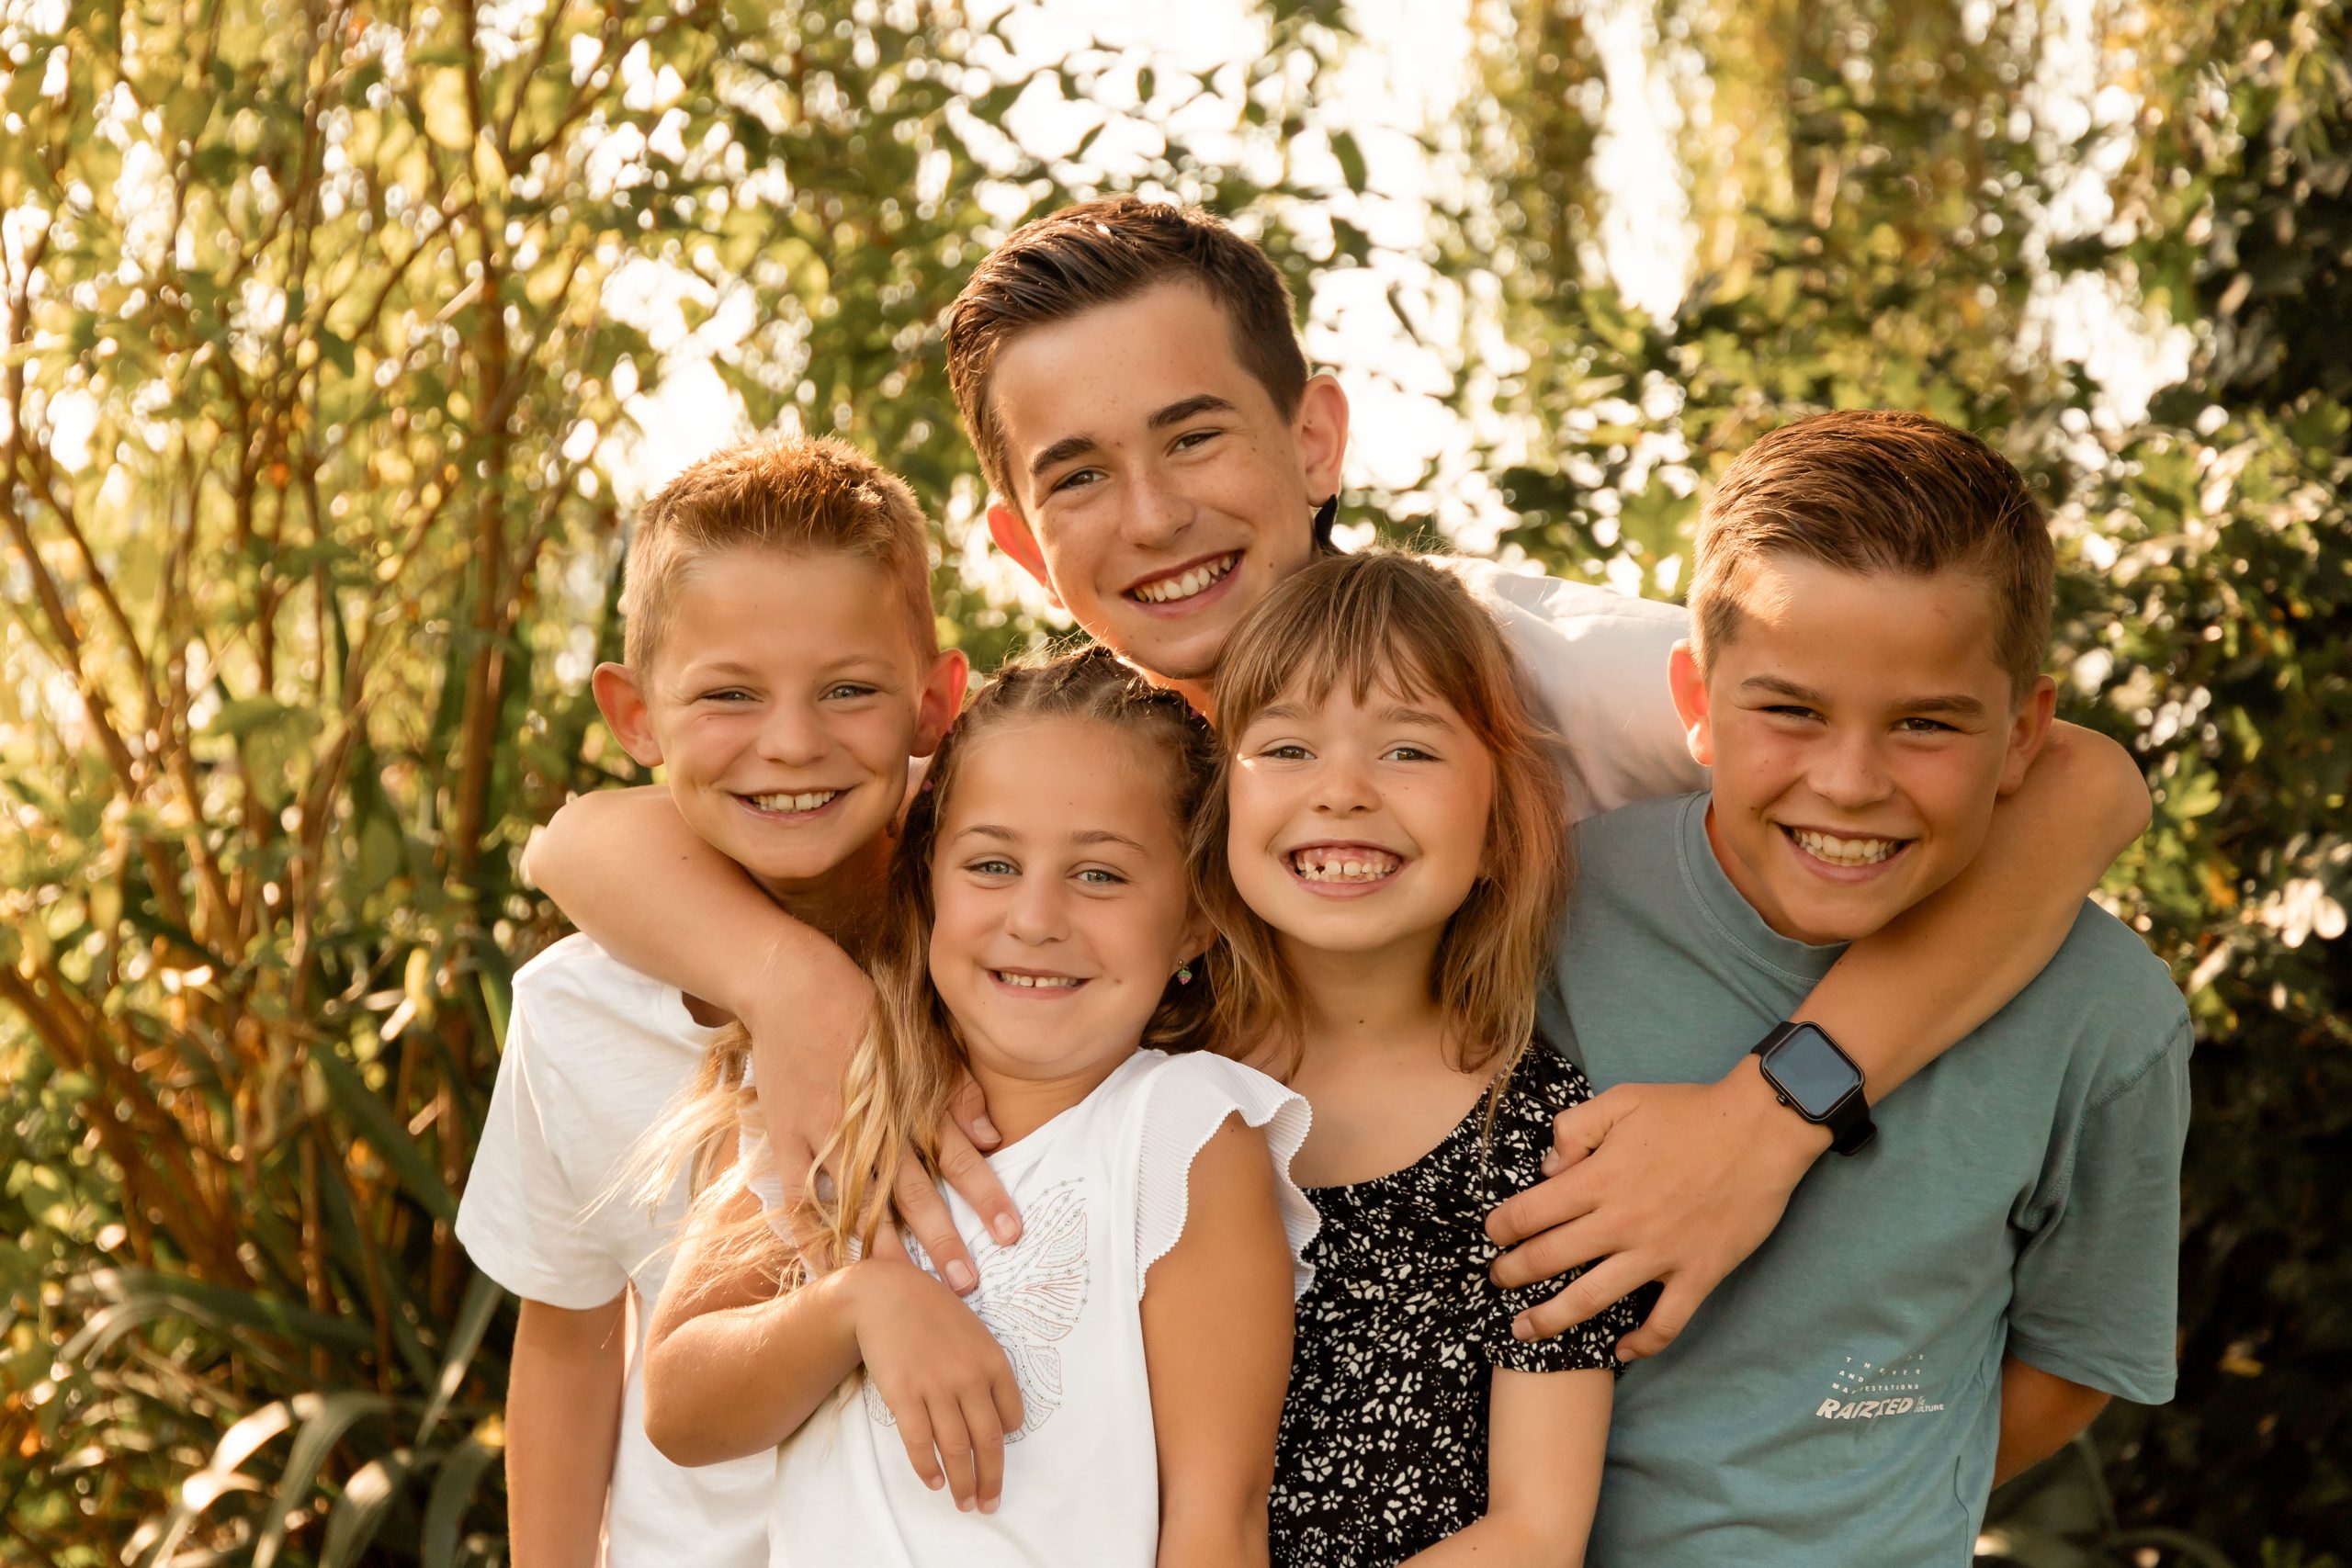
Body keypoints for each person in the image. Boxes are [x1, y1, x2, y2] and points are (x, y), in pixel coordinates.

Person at [522, 197, 2155, 1359]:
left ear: (1315, 439)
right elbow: (592, 835)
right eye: (1080, 474)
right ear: (1020, 542)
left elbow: (2069, 779)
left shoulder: (1517, 667)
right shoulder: (1062, 775)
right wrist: (796, 991)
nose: (1153, 517)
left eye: (1196, 436)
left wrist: (1773, 1112)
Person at [1531, 410, 2189, 1564]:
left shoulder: (2110, 1018)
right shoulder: (1546, 916)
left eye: (1925, 725)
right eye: (1788, 710)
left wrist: (1868, 1506)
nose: (1847, 783)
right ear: (1694, 703)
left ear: (2027, 732)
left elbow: (2076, 1359)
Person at [640, 648, 1318, 1567]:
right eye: (992, 865)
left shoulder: (1184, 1133)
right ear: (926, 883)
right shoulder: (838, 1099)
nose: (1036, 917)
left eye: (1101, 876)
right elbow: (681, 1410)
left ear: (1196, 915)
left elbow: (1217, 1521)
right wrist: (860, 1301)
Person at [454, 435, 967, 1565]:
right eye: (728, 694)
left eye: (849, 689)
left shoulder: (1002, 950)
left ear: (936, 703)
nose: (791, 743)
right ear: (634, 715)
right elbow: (569, 1334)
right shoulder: (572, 1009)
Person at [1195, 551, 1630, 1566]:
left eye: (1408, 751)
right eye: (1288, 748)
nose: (1342, 791)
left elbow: (1535, 1530)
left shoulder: (1539, 1143)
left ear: (1496, 826)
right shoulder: (1142, 1062)